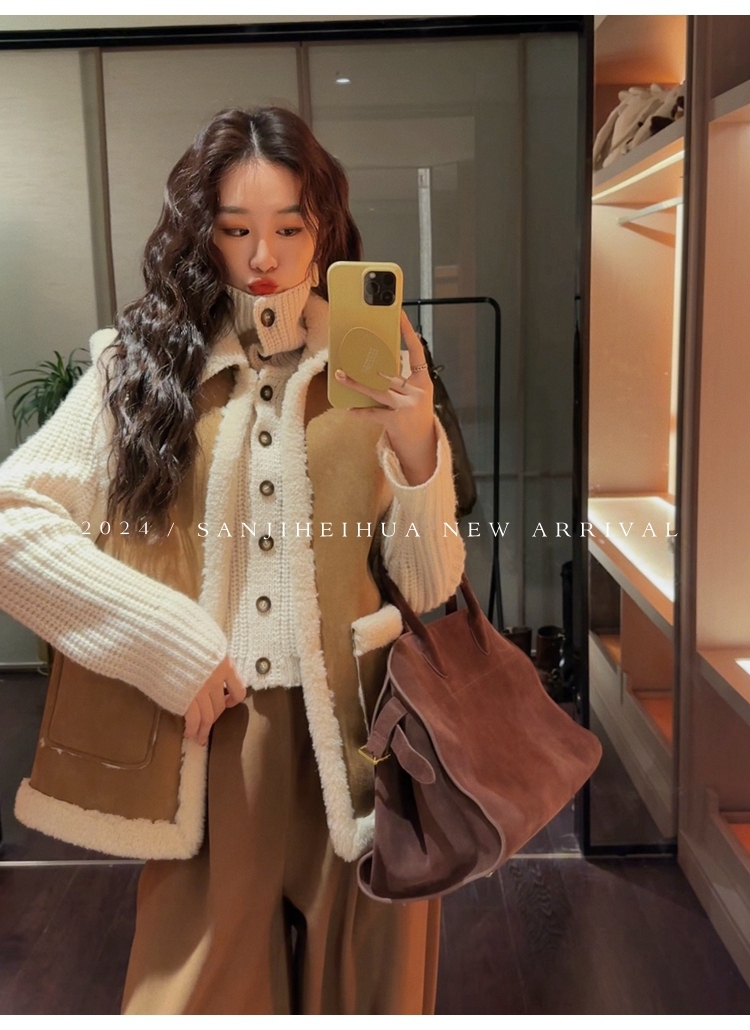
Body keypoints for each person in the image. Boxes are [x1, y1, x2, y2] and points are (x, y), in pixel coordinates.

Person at [0, 107, 465, 1014]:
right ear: (198, 232)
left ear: (324, 225)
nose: (264, 257)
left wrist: (417, 446)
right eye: (235, 229)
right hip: (213, 734)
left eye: (290, 227)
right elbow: (13, 522)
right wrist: (163, 641)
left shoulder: (380, 361)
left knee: (372, 999)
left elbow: (430, 582)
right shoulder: (138, 367)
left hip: (368, 741)